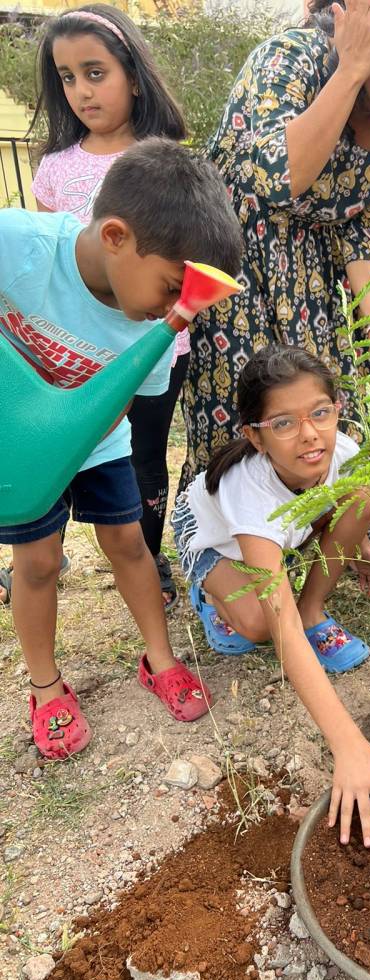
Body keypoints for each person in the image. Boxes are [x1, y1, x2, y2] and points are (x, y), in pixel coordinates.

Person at [180, 0, 370, 572]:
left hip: (316, 286)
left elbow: (366, 229)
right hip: (239, 278)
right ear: (365, 20)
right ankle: (236, 563)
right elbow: (280, 178)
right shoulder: (289, 62)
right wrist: (352, 69)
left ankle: (323, 552)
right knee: (251, 419)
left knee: (326, 417)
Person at [0, 138, 243, 759]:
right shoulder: (17, 244)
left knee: (130, 544)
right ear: (115, 236)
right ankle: (46, 686)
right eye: (168, 288)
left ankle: (158, 658)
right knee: (38, 563)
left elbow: (127, 402)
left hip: (99, 439)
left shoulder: (157, 331)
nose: (173, 310)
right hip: (23, 451)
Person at [172, 344, 370, 847]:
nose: (309, 434)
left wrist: (363, 544)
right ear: (254, 436)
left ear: (336, 410)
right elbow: (277, 626)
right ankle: (212, 595)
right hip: (214, 542)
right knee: (259, 627)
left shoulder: (339, 449)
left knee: (364, 496)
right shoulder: (248, 493)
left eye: (320, 413)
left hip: (285, 529)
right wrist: (348, 744)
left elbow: (348, 498)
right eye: (283, 423)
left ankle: (314, 609)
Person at [15, 4, 189, 612]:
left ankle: (145, 551)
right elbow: (47, 263)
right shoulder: (56, 169)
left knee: (143, 459)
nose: (81, 90)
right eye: (67, 77)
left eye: (95, 71)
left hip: (153, 347)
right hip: (73, 354)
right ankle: (39, 544)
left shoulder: (167, 158)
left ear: (133, 74)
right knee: (69, 446)